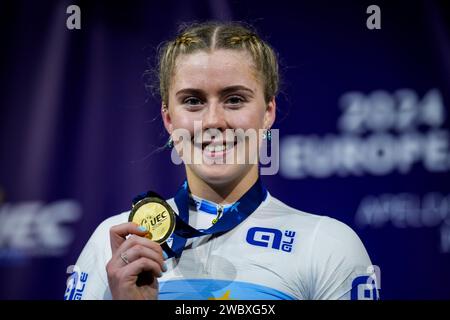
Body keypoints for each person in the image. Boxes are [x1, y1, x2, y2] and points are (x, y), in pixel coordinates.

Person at [64, 21, 379, 300]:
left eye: (235, 99)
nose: (213, 120)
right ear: (169, 118)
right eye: (193, 101)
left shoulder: (325, 245)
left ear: (268, 112)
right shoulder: (117, 245)